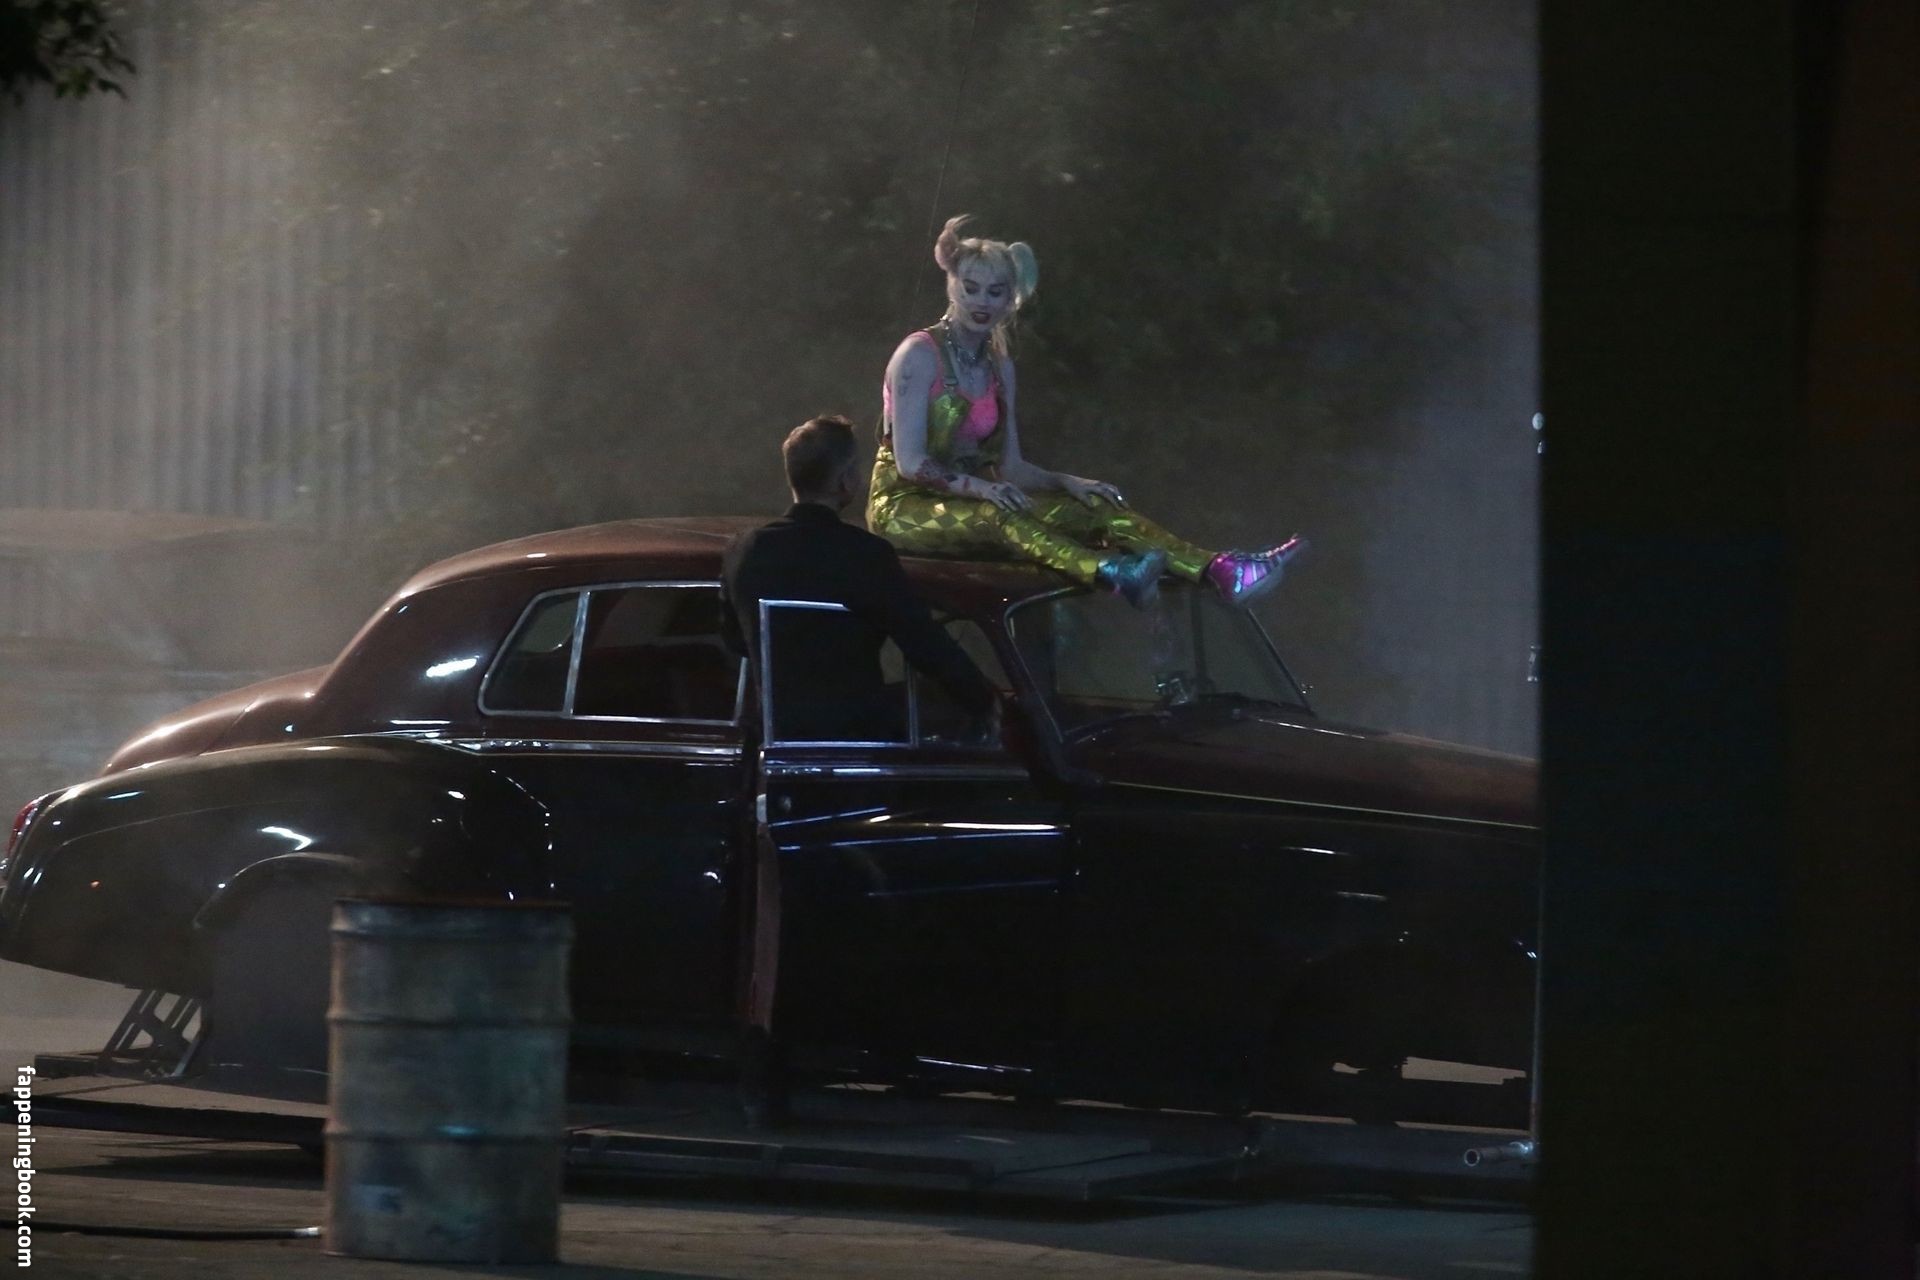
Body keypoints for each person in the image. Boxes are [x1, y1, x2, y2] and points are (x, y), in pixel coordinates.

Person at [718, 413, 1000, 1127]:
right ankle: (886, 1053)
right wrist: (984, 700)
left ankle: (766, 1077)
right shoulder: (864, 557)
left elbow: (735, 642)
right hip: (853, 759)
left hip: (776, 761)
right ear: (846, 480)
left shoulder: (746, 551)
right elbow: (923, 642)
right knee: (871, 905)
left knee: (774, 923)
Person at [869, 214, 1302, 610]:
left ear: (1009, 299)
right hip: (904, 508)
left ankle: (1221, 569)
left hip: (973, 500)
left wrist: (1067, 482)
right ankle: (1112, 572)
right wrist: (982, 489)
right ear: (953, 286)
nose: (981, 301)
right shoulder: (919, 355)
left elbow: (1011, 468)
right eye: (971, 288)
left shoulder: (999, 367)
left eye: (995, 292)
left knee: (1097, 507)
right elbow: (911, 463)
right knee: (1000, 515)